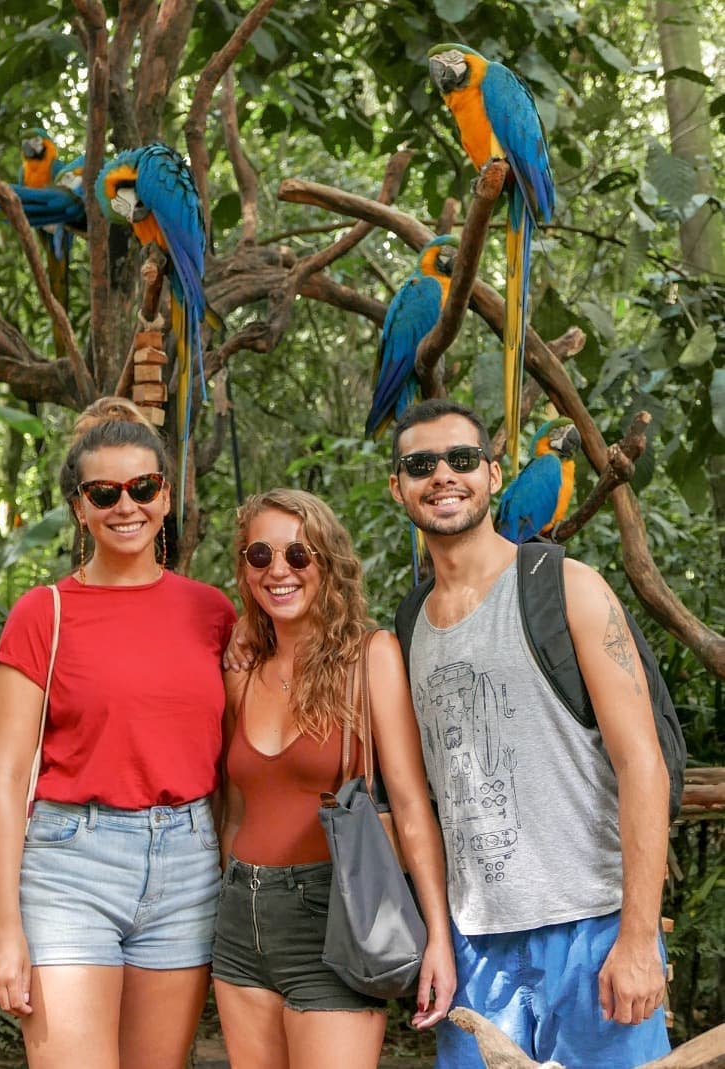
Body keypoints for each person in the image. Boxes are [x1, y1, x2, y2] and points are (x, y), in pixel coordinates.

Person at [387, 398, 671, 1069]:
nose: (442, 475)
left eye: (461, 459)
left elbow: (641, 763)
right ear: (396, 484)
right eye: (420, 464)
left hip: (593, 929)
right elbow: (416, 802)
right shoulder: (408, 626)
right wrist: (437, 937)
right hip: (477, 948)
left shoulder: (566, 586)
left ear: (492, 472)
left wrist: (636, 937)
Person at [0, 397, 236, 1069]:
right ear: (79, 506)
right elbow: (7, 778)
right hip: (71, 863)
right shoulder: (44, 613)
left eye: (143, 487)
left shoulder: (211, 611)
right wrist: (5, 928)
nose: (127, 505)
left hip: (186, 862)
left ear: (166, 495)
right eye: (105, 492)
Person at [212, 488, 456, 1069]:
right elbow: (235, 812)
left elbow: (412, 807)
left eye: (299, 555)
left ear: (328, 562)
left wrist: (438, 939)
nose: (279, 571)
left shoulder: (372, 658)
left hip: (337, 917)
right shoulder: (240, 675)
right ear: (245, 571)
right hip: (240, 921)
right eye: (260, 556)